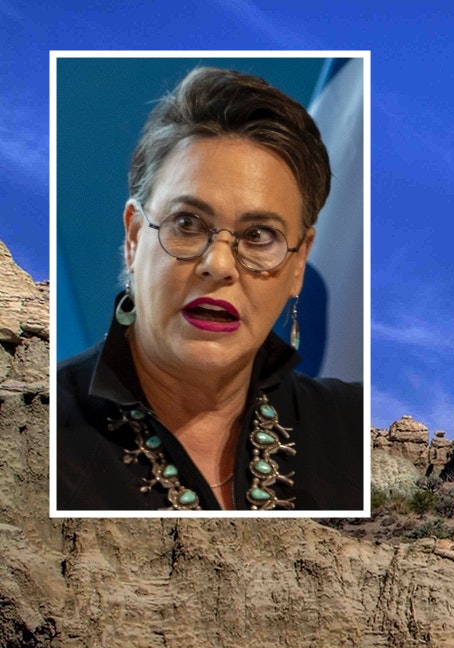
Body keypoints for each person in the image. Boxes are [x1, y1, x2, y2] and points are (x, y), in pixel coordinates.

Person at [56, 67, 363, 511]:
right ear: (134, 237)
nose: (218, 265)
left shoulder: (354, 430)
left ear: (299, 262)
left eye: (259, 235)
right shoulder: (33, 425)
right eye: (187, 223)